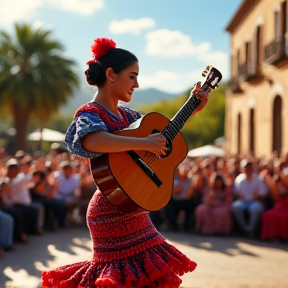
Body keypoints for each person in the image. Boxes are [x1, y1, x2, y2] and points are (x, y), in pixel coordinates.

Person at [41, 37, 210, 288]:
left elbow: (162, 134)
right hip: (109, 209)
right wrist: (143, 143)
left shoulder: (130, 115)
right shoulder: (90, 113)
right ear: (111, 75)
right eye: (132, 76)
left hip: (136, 208)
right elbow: (93, 141)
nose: (137, 84)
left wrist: (192, 107)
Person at [231, 160, 268, 238]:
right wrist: (239, 195)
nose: (248, 170)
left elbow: (263, 195)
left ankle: (251, 230)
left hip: (255, 202)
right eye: (246, 168)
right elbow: (236, 193)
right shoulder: (239, 179)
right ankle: (245, 229)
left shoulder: (258, 180)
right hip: (243, 202)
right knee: (235, 206)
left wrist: (257, 196)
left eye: (249, 168)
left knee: (254, 209)